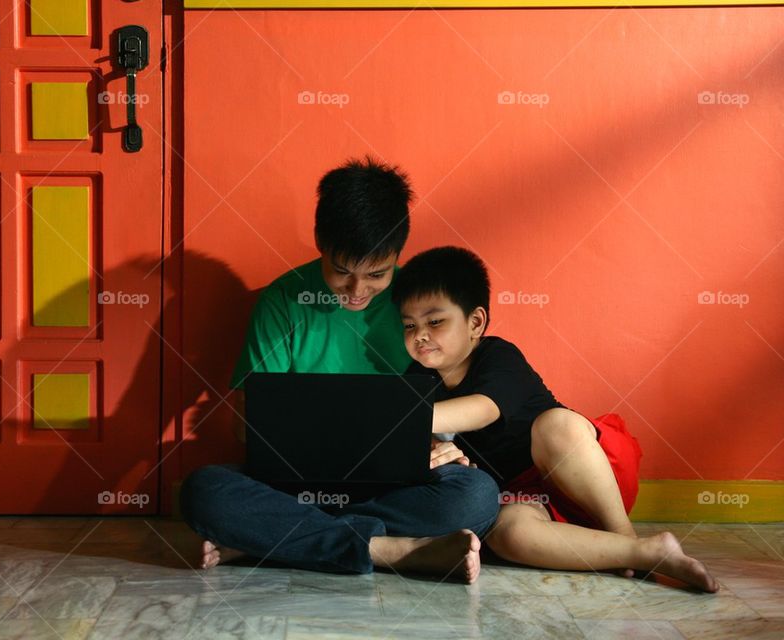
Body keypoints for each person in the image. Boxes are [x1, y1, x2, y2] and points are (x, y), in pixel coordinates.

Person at [180, 158, 500, 582]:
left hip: (390, 487)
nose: (357, 291)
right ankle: (389, 549)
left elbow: (440, 394)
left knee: (477, 495)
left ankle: (278, 539)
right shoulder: (282, 301)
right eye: (342, 272)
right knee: (204, 491)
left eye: (376, 275)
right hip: (293, 484)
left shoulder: (416, 304)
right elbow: (246, 429)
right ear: (320, 242)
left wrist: (439, 447)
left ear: (398, 255)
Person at [391, 245, 718, 592]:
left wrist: (396, 420)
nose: (420, 334)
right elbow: (424, 443)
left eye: (435, 321)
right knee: (505, 533)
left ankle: (621, 532)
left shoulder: (498, 356)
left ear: (475, 322)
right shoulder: (417, 381)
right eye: (409, 325)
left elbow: (483, 408)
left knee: (554, 425)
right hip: (525, 497)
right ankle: (643, 551)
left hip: (585, 472)